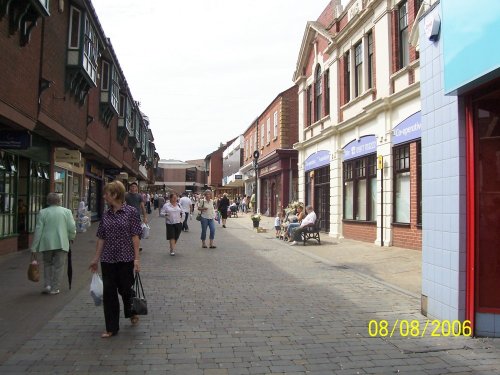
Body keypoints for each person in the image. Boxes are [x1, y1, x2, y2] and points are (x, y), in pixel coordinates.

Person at [89, 181, 142, 338]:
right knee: (109, 293)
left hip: (125, 259)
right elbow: (101, 237)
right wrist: (96, 258)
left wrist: (136, 259)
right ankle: (111, 327)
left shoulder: (131, 212)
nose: (104, 196)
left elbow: (135, 236)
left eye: (107, 193)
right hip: (108, 260)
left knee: (126, 290)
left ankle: (132, 311)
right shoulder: (106, 214)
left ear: (115, 194)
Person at [31, 193, 76, 295]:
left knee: (47, 264)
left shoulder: (43, 212)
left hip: (46, 243)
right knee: (59, 266)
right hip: (61, 242)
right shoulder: (66, 212)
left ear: (48, 201)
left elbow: (38, 230)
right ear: (59, 201)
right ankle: (55, 288)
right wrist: (71, 237)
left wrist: (34, 247)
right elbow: (72, 227)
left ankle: (47, 285)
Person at [125, 182, 147, 252]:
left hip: (137, 216)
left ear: (137, 188)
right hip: (127, 216)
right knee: (128, 231)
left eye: (135, 186)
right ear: (130, 187)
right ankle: (129, 245)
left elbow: (143, 207)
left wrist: (145, 217)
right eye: (132, 186)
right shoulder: (126, 195)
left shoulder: (139, 196)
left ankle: (137, 245)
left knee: (137, 232)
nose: (133, 188)